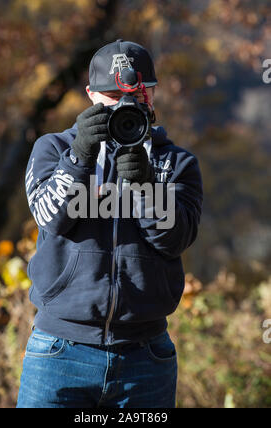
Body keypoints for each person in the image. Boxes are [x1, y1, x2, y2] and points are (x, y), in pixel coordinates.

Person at [17, 39, 203, 408]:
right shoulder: (52, 150)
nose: (124, 104)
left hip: (145, 357)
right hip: (59, 351)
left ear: (151, 93)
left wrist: (148, 185)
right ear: (90, 95)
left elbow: (175, 239)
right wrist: (79, 157)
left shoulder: (177, 163)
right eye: (112, 94)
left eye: (135, 95)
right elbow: (50, 218)